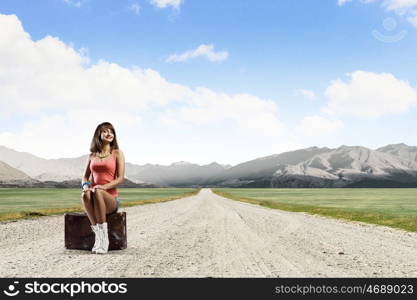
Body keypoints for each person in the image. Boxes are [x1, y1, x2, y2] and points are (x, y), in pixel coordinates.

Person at [81, 122, 125, 254]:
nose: (109, 134)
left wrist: (104, 187)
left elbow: (120, 178)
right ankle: (98, 238)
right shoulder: (92, 155)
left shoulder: (117, 153)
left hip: (110, 199)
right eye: (105, 131)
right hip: (94, 196)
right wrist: (85, 186)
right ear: (98, 135)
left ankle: (104, 240)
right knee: (85, 195)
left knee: (98, 191)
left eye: (111, 131)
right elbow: (84, 177)